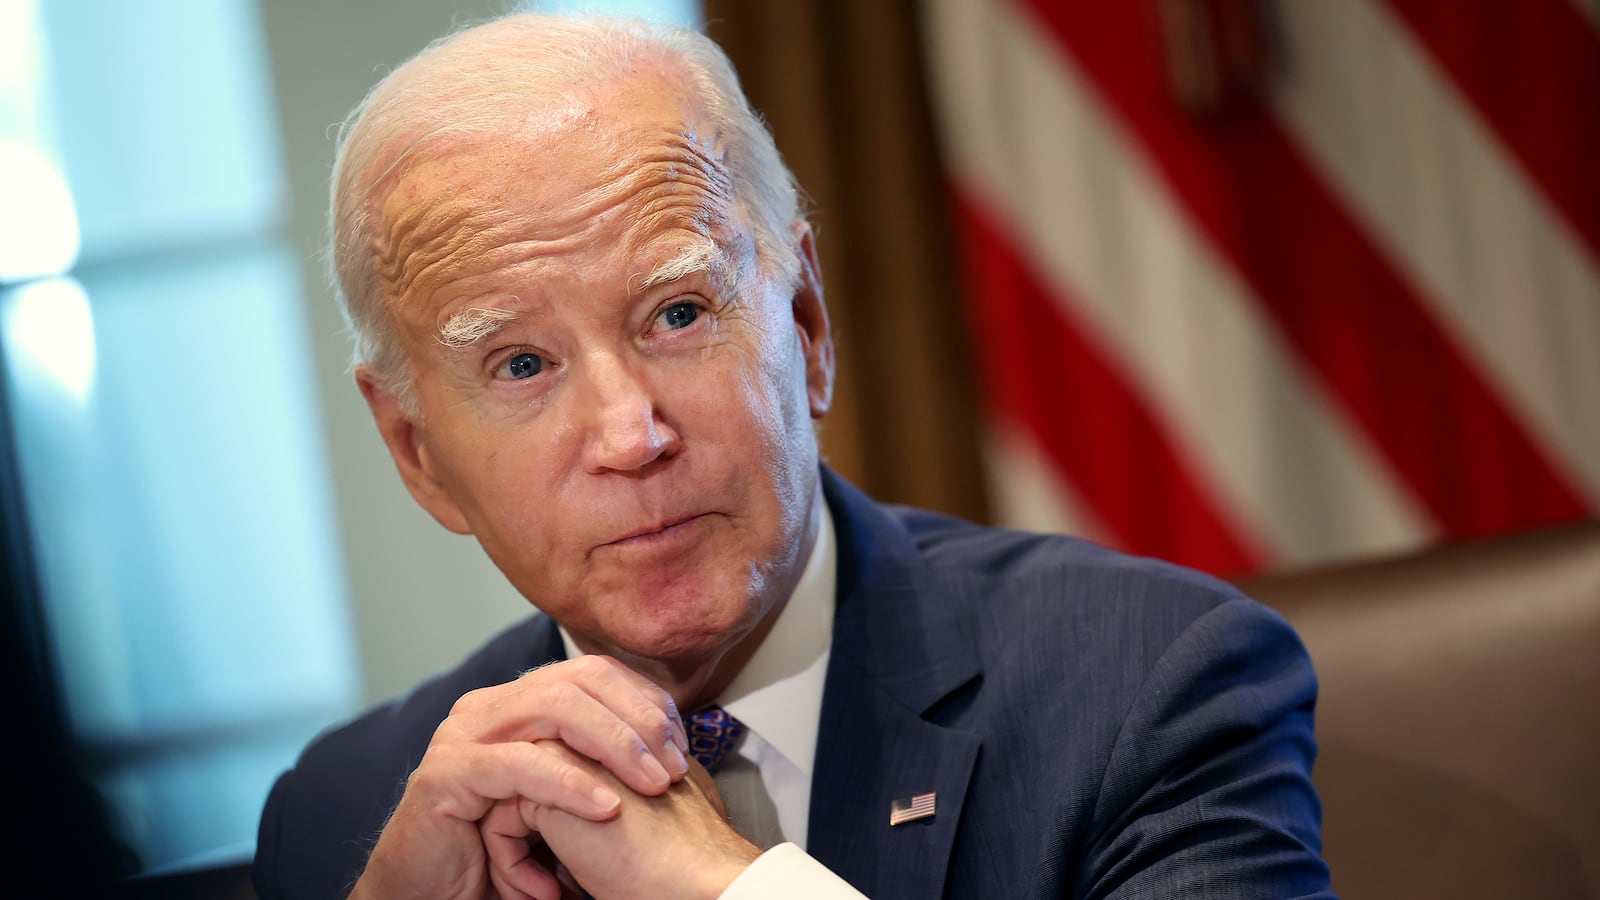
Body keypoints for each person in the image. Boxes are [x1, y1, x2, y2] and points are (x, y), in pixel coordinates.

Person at [253, 12, 1332, 900]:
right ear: (417, 454)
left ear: (807, 325)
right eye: (521, 365)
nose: (632, 436)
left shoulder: (1149, 685)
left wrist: (732, 891)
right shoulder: (345, 822)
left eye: (676, 312)